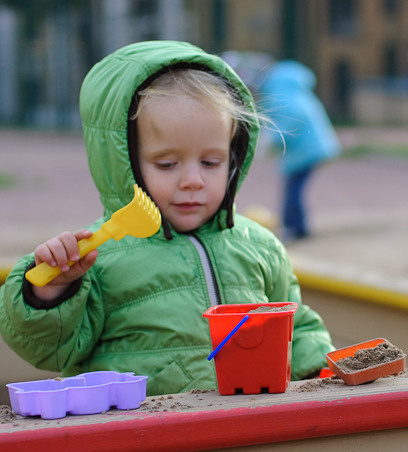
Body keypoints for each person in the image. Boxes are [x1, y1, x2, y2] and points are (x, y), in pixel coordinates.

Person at [0, 41, 334, 396]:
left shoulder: (261, 245)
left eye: (210, 162)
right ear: (122, 161)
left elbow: (295, 328)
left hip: (248, 434)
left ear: (234, 157)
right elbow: (48, 348)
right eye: (167, 164)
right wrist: (52, 290)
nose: (192, 180)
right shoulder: (95, 257)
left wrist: (320, 366)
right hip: (141, 441)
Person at [257, 60, 341, 241]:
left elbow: (288, 124)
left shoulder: (286, 97)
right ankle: (296, 225)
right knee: (294, 188)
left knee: (293, 189)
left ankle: (294, 227)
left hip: (305, 152)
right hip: (309, 150)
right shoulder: (295, 93)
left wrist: (271, 139)